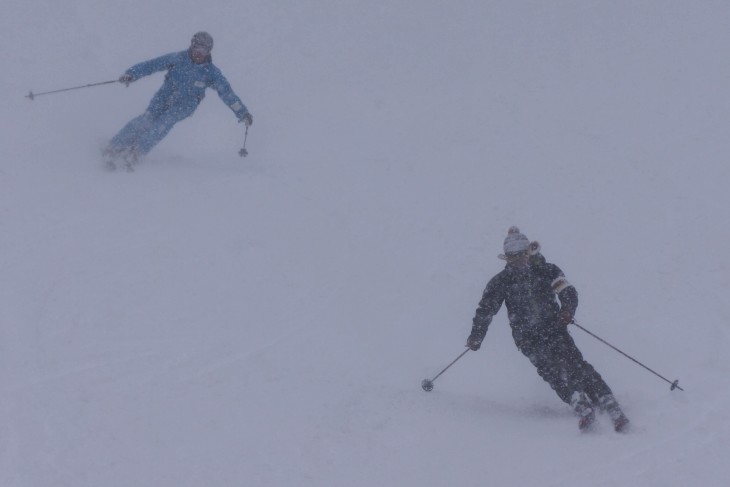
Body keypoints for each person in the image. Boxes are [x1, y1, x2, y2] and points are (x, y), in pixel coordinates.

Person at [466, 226, 629, 432]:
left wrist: (567, 310)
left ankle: (607, 401)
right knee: (551, 370)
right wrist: (476, 336)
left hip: (554, 328)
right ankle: (579, 403)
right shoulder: (500, 282)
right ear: (506, 258)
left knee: (575, 364)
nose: (518, 262)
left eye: (521, 256)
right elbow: (485, 310)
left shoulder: (548, 270)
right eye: (512, 258)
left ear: (528, 252)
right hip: (527, 338)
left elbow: (567, 291)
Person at [103, 32, 252, 170]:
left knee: (165, 122)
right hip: (164, 97)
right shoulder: (178, 58)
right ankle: (115, 145)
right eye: (197, 49)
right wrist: (131, 74)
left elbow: (227, 93)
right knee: (147, 119)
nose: (199, 53)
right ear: (192, 46)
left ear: (209, 52)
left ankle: (136, 152)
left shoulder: (211, 72)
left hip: (186, 105)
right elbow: (152, 65)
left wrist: (242, 113)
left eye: (204, 50)